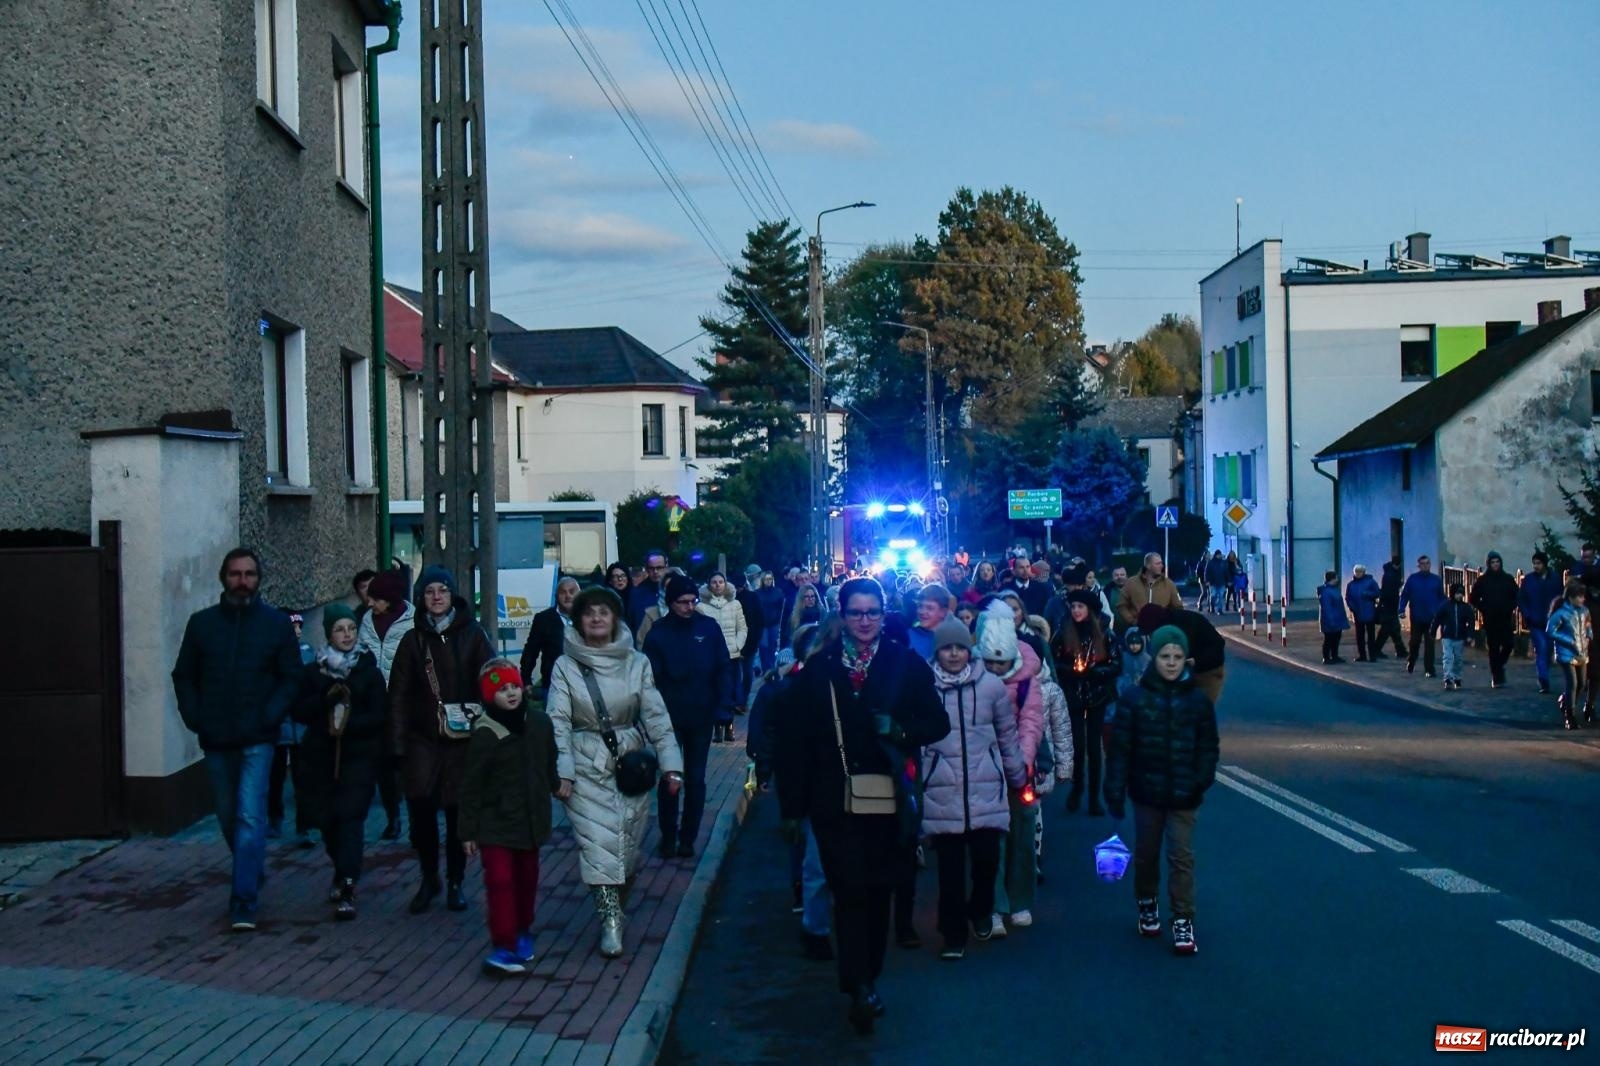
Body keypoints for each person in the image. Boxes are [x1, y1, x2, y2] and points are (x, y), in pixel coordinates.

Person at [773, 577, 949, 1035]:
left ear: (884, 613)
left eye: (873, 612)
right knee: (849, 890)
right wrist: (792, 808)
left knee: (878, 892)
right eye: (856, 613)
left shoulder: (902, 661)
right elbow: (794, 742)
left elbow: (937, 721)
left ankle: (869, 972)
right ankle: (859, 984)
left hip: (889, 798)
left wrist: (901, 731)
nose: (865, 621)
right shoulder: (820, 666)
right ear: (842, 616)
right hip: (833, 800)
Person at [549, 587, 685, 956]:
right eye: (588, 612)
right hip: (583, 760)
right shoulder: (565, 666)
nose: (596, 618)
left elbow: (655, 715)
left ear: (615, 618)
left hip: (630, 763)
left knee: (627, 843)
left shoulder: (636, 662)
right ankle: (609, 919)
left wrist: (672, 765)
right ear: (578, 619)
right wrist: (562, 771)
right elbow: (558, 720)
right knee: (598, 843)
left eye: (603, 612)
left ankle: (617, 905)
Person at [171, 547, 301, 932]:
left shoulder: (275, 625)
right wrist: (194, 717)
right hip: (215, 737)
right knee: (228, 817)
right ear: (223, 578)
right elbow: (183, 676)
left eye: (249, 574)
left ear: (259, 579)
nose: (242, 581)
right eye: (235, 574)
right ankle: (251, 868)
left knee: (249, 815)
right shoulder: (202, 625)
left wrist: (271, 714)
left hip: (258, 737)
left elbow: (291, 676)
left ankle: (243, 900)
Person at [1103, 624, 1219, 957]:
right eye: (1166, 656)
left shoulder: (1197, 701)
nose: (1171, 663)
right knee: (1147, 853)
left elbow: (1208, 746)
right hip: (1147, 790)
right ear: (1155, 657)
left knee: (1181, 856)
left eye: (1178, 657)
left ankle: (1183, 918)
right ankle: (1147, 902)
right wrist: (1115, 788)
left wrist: (1200, 779)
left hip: (1185, 792)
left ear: (1186, 660)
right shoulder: (1135, 699)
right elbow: (1121, 748)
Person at [388, 565, 494, 915]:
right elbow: (398, 694)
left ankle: (455, 881)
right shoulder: (412, 640)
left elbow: (491, 678)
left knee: (456, 814)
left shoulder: (473, 635)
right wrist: (398, 745)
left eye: (443, 590)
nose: (436, 597)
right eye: (430, 591)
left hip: (462, 739)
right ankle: (428, 876)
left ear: (453, 596)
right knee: (420, 812)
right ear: (421, 598)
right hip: (423, 738)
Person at [924, 617, 1024, 961]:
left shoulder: (991, 687)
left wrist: (1016, 775)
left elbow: (1007, 735)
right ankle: (953, 934)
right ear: (937, 651)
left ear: (970, 650)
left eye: (959, 648)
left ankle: (980, 910)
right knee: (949, 872)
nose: (953, 655)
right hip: (942, 789)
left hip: (986, 787)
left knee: (986, 861)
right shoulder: (925, 687)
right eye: (947, 648)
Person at [459, 658, 559, 976]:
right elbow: (471, 786)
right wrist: (467, 831)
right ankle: (503, 945)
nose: (511, 693)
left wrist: (557, 784)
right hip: (496, 822)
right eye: (502, 690)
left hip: (531, 820)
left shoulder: (540, 723)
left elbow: (549, 761)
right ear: (490, 697)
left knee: (526, 880)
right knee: (500, 882)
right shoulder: (486, 734)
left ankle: (522, 930)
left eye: (514, 686)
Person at [290, 603, 387, 920]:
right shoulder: (313, 671)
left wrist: (350, 725)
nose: (346, 635)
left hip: (358, 756)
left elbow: (379, 714)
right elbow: (299, 710)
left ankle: (348, 881)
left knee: (350, 817)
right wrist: (324, 703)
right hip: (320, 757)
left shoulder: (367, 669)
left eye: (351, 629)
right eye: (339, 630)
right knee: (328, 820)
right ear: (329, 634)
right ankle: (339, 867)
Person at [644, 575, 732, 856]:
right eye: (682, 602)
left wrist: (723, 707)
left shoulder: (708, 627)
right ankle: (668, 836)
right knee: (671, 776)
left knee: (696, 778)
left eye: (693, 601)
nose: (689, 607)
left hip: (701, 714)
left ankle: (688, 838)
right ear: (671, 603)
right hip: (668, 717)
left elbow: (722, 668)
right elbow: (650, 679)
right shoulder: (658, 633)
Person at [975, 602, 1044, 936]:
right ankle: (994, 904)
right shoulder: (974, 678)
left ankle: (1019, 901)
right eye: (989, 662)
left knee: (1021, 837)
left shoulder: (1028, 680)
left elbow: (1031, 722)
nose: (995, 668)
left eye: (1000, 663)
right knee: (991, 840)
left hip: (1018, 768)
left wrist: (1023, 762)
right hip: (983, 769)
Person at [357, 568, 413, 841]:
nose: (369, 603)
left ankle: (417, 817)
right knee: (383, 765)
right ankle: (393, 819)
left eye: (375, 599)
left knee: (409, 763)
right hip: (375, 704)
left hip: (406, 703)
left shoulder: (413, 622)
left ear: (389, 599)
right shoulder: (365, 621)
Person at [1055, 590, 1121, 817]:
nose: (1076, 611)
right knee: (1077, 746)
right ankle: (1077, 789)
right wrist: (1069, 671)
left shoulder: (1105, 633)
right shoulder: (1063, 632)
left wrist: (1097, 672)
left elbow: (1116, 664)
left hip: (1097, 694)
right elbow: (1053, 660)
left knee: (1094, 748)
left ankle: (1094, 797)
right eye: (1073, 607)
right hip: (1073, 694)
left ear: (1090, 610)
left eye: (1080, 607)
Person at [268, 612, 316, 847]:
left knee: (303, 778)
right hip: (278, 725)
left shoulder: (308, 652)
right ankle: (274, 818)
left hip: (301, 726)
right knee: (274, 776)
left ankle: (304, 827)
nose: (297, 631)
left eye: (299, 626)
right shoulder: (271, 655)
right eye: (292, 626)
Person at [1136, 604, 1227, 706]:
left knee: (1199, 709)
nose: (1150, 635)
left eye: (1150, 632)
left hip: (1208, 671)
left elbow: (1218, 646)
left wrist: (1195, 661)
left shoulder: (1188, 623)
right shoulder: (1162, 631)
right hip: (1184, 672)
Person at [696, 572, 748, 738]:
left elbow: (742, 628)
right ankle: (717, 726)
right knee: (714, 691)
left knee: (730, 690)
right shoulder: (701, 607)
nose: (718, 585)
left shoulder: (735, 604)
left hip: (731, 654)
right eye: (714, 582)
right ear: (709, 585)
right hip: (710, 656)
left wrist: (737, 645)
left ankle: (729, 725)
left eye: (721, 582)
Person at [522, 576, 578, 700]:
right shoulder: (543, 619)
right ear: (557, 596)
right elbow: (531, 651)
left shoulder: (588, 618)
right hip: (553, 686)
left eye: (572, 591)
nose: (568, 596)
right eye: (563, 592)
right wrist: (526, 680)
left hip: (583, 685)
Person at [1469, 551, 1519, 689]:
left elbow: (1516, 595)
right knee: (1494, 648)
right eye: (1493, 562)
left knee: (1508, 644)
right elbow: (1473, 598)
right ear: (1488, 564)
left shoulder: (1507, 579)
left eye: (1497, 562)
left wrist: (1510, 607)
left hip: (1505, 618)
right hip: (1490, 619)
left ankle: (1499, 665)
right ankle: (1496, 676)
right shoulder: (1483, 580)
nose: (1495, 565)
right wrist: (1484, 608)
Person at [1548, 580, 1592, 729]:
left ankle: (1566, 701)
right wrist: (1569, 641)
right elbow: (1550, 630)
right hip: (1566, 653)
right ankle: (1570, 715)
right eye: (1579, 597)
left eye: (1582, 596)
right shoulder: (1561, 613)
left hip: (1582, 652)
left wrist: (1589, 636)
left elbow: (1587, 625)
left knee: (1582, 683)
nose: (1582, 599)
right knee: (1572, 683)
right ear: (1570, 597)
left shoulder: (1584, 611)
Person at [1519, 552, 1563, 695]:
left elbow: (1561, 598)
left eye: (1539, 563)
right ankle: (1543, 679)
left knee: (1548, 649)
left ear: (1545, 564)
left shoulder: (1555, 579)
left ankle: (1544, 674)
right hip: (1535, 621)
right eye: (1535, 563)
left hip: (1551, 621)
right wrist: (1527, 614)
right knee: (1541, 649)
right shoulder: (1529, 580)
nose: (1536, 566)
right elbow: (1521, 598)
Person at [1399, 556, 1445, 678]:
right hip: (1417, 616)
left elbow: (1441, 597)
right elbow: (1405, 595)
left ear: (1430, 565)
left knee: (1430, 643)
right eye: (1422, 564)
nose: (1425, 566)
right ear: (1419, 566)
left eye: (1427, 563)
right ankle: (1411, 660)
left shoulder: (1436, 580)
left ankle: (1429, 669)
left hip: (1432, 617)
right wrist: (1401, 609)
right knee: (1414, 641)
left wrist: (1442, 612)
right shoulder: (1413, 579)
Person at [1114, 553, 1183, 634]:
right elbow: (1121, 605)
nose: (1161, 566)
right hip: (1137, 632)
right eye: (1158, 563)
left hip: (1161, 631)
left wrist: (1167, 623)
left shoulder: (1169, 584)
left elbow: (1178, 608)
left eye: (1161, 563)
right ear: (1148, 566)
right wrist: (1132, 621)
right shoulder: (1131, 583)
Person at [1432, 584, 1477, 691]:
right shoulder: (1445, 606)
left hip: (1460, 637)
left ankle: (1457, 678)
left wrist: (1470, 635)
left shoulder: (1466, 608)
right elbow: (1437, 619)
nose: (1459, 596)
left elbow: (1471, 622)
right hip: (1447, 636)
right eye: (1457, 593)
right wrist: (1433, 631)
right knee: (1447, 657)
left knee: (1458, 658)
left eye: (1461, 593)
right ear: (1452, 594)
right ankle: (1447, 678)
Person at [736, 565, 767, 708]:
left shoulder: (752, 597)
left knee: (747, 673)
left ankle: (742, 700)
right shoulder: (729, 600)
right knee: (736, 674)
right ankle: (737, 699)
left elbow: (760, 620)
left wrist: (755, 640)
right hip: (733, 642)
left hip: (750, 641)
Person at [627, 551, 670, 636]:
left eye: (659, 568)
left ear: (666, 566)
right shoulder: (636, 594)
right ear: (646, 569)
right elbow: (632, 623)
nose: (655, 571)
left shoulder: (674, 590)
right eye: (651, 568)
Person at [907, 583, 954, 661]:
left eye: (929, 608)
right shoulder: (908, 636)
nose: (922, 612)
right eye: (920, 606)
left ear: (943, 612)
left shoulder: (953, 638)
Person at [1345, 565, 1381, 662]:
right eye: (1356, 571)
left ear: (1364, 572)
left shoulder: (1370, 582)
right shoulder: (1351, 585)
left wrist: (1368, 594)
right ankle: (1362, 655)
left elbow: (1377, 592)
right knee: (1359, 635)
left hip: (1369, 611)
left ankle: (1372, 655)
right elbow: (1348, 598)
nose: (1358, 573)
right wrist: (1352, 608)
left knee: (1371, 635)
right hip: (1358, 613)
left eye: (1360, 571)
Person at [1373, 556, 1407, 660]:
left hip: (1388, 605)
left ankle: (1400, 650)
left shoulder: (1389, 574)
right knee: (1389, 629)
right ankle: (1377, 650)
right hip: (1390, 605)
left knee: (1392, 629)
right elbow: (1388, 592)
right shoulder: (1391, 575)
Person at [756, 571, 787, 673]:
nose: (768, 581)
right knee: (763, 646)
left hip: (774, 623)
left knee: (772, 646)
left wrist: (779, 619)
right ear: (762, 580)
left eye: (770, 579)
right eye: (766, 579)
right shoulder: (757, 593)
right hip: (762, 624)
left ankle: (772, 667)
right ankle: (765, 668)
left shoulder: (778, 592)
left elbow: (781, 607)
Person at [1317, 571, 1349, 664]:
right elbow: (1327, 608)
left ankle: (1334, 656)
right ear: (1333, 579)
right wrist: (1331, 621)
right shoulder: (1327, 592)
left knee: (1335, 638)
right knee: (1329, 639)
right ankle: (1327, 658)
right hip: (1331, 620)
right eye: (1336, 577)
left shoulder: (1331, 590)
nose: (1338, 579)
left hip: (1336, 619)